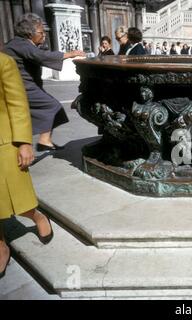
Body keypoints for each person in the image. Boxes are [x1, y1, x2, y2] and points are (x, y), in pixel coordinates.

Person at [0, 52, 54, 279]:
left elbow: (18, 104)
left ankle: (36, 216)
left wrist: (24, 143)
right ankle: (1, 246)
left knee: (17, 197)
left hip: (4, 140)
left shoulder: (4, 62)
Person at [4, 13, 85, 151]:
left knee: (55, 110)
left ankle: (44, 140)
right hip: (23, 88)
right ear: (29, 33)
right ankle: (36, 142)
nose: (44, 35)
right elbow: (41, 57)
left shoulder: (22, 44)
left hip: (30, 86)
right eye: (41, 32)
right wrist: (71, 53)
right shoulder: (21, 44)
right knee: (52, 106)